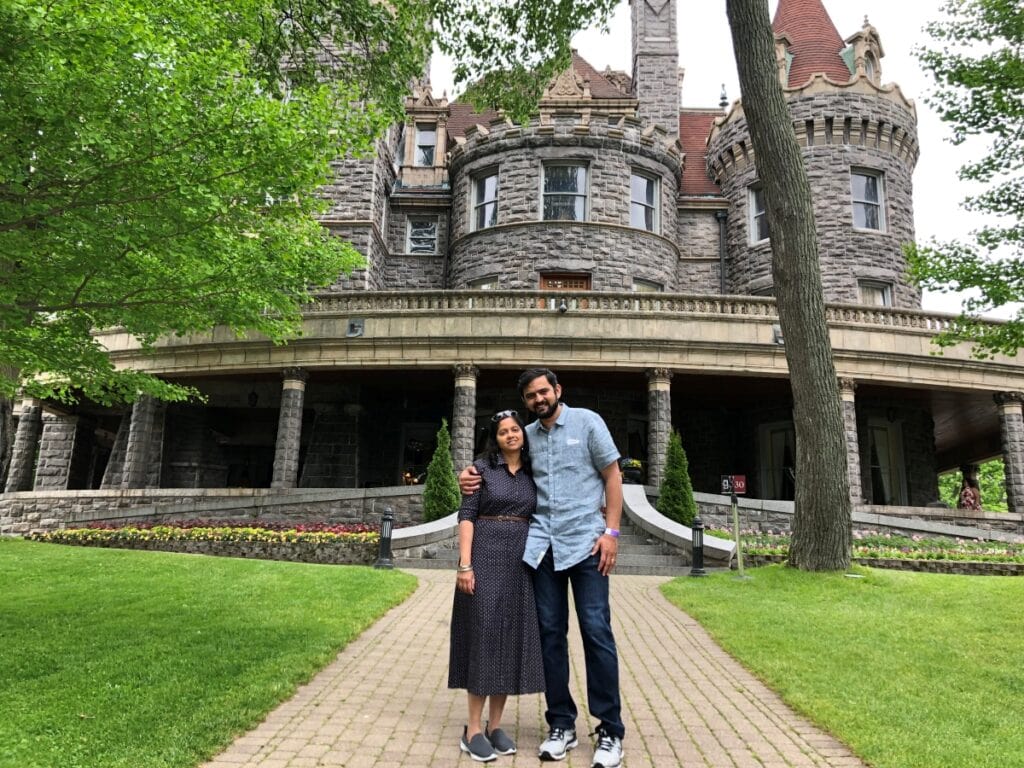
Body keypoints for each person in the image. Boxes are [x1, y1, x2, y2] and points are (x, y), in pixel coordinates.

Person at [460, 368, 625, 768]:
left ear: (557, 390)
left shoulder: (588, 422)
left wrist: (612, 532)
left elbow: (612, 476)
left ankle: (610, 730)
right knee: (550, 635)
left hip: (587, 545)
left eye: (543, 392)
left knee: (596, 631)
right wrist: (468, 474)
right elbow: (497, 463)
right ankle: (561, 724)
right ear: (526, 402)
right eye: (531, 396)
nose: (539, 399)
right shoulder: (527, 435)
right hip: (542, 549)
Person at [448, 409, 545, 763]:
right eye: (503, 431)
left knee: (508, 642)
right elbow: (466, 516)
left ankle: (496, 725)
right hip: (484, 558)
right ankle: (472, 730)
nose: (510, 435)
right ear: (496, 438)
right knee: (484, 638)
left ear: (523, 433)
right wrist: (465, 564)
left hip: (521, 564)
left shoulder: (534, 471)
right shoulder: (481, 469)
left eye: (515, 429)